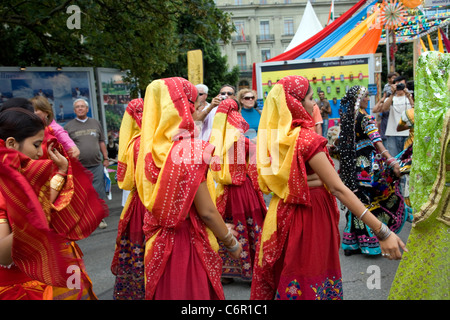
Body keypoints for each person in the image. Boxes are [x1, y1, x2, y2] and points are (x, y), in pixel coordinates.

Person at [250, 76, 406, 300]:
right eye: (310, 98)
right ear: (295, 103)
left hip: (282, 213)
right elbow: (338, 189)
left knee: (293, 274)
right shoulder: (307, 140)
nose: (314, 104)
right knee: (312, 275)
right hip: (310, 215)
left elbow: (279, 177)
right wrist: (382, 230)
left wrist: (310, 178)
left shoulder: (274, 138)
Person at [134, 77, 242, 300]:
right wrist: (230, 243)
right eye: (192, 103)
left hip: (157, 241)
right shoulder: (189, 151)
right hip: (186, 243)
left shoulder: (144, 147)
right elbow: (206, 212)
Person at [0, 108, 106, 300]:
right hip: (20, 289)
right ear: (11, 143)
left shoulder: (24, 176)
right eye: (36, 144)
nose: (40, 152)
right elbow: (4, 256)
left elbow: (43, 205)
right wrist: (34, 219)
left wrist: (62, 171)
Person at [389, 51, 450, 300]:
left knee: (427, 259)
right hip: (443, 196)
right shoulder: (445, 116)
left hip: (426, 191)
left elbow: (401, 126)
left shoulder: (418, 113)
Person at [337, 85, 408, 257]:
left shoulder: (347, 118)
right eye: (366, 96)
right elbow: (378, 143)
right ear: (359, 100)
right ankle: (368, 244)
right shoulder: (365, 118)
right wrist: (390, 160)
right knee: (366, 201)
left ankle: (351, 243)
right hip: (366, 165)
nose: (368, 99)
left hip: (352, 165)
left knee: (356, 200)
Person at [209, 98, 267, 284]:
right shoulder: (239, 139)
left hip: (224, 192)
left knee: (228, 226)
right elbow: (261, 155)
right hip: (244, 191)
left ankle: (226, 272)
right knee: (250, 227)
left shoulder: (215, 138)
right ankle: (251, 270)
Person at [111, 98, 147, 300]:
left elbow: (125, 181)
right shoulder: (152, 140)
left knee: (138, 244)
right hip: (151, 202)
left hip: (138, 202)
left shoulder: (133, 143)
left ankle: (137, 289)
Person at [65, 98, 108, 229]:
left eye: (82, 106)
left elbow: (101, 141)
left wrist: (105, 158)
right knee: (81, 194)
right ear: (74, 110)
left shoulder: (95, 123)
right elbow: (66, 146)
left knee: (98, 192)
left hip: (96, 164)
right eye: (77, 107)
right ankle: (84, 220)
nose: (80, 108)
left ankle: (100, 218)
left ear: (87, 109)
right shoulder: (68, 127)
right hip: (78, 167)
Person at [380, 75, 414, 157]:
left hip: (407, 134)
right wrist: (392, 94)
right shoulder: (391, 98)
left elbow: (414, 108)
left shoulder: (409, 98)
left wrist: (408, 95)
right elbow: (384, 108)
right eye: (397, 85)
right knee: (394, 160)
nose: (399, 87)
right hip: (392, 133)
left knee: (407, 159)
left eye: (401, 85)